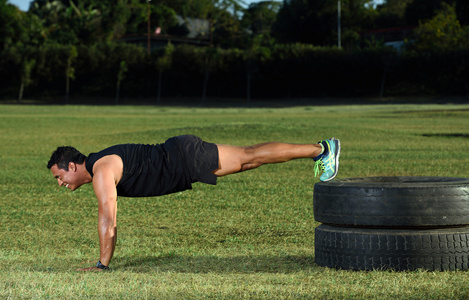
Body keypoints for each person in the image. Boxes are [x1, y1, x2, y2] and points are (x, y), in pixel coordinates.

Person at [47, 135, 340, 271]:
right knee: (250, 159)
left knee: (251, 155)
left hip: (184, 159)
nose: (61, 183)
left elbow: (107, 220)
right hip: (182, 157)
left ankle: (321, 149)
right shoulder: (101, 164)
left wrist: (102, 264)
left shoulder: (101, 171)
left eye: (59, 176)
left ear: (72, 165)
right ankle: (318, 150)